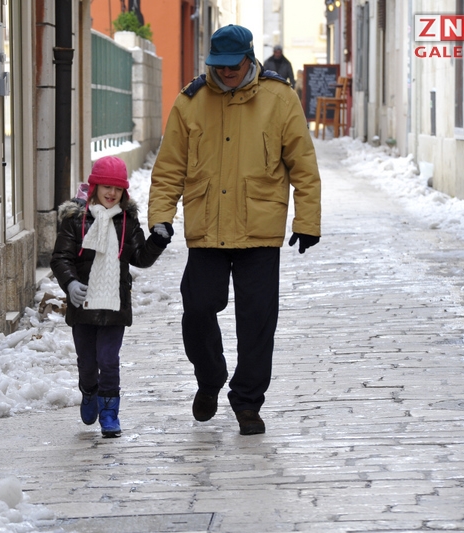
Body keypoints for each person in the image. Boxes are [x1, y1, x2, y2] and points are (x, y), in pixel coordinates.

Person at [148, 24, 321, 436]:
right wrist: (160, 217)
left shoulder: (280, 98)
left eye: (234, 65)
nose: (226, 73)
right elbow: (169, 167)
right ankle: (210, 377)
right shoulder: (190, 102)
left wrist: (307, 220)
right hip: (206, 226)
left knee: (257, 321)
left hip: (259, 228)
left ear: (249, 58)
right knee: (197, 309)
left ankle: (247, 402)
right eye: (219, 66)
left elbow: (303, 164)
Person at [51, 156, 173, 438]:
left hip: (114, 306)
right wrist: (70, 283)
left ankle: (109, 413)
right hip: (83, 304)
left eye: (118, 189)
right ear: (94, 187)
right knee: (87, 362)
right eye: (107, 187)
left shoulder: (127, 221)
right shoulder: (75, 220)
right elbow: (61, 258)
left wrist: (157, 241)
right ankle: (89, 391)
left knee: (108, 360)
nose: (112, 193)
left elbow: (140, 257)